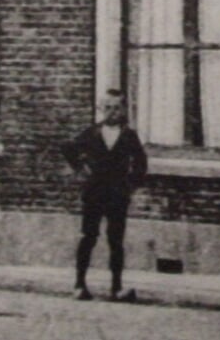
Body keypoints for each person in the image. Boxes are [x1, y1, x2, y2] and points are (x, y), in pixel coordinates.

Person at [60, 88, 148, 302]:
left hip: (118, 194)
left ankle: (116, 287)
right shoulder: (91, 133)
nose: (112, 112)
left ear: (124, 110)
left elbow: (141, 162)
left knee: (116, 240)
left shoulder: (129, 135)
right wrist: (81, 168)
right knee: (88, 237)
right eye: (107, 107)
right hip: (94, 192)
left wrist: (131, 184)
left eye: (116, 108)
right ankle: (79, 285)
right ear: (100, 109)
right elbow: (68, 148)